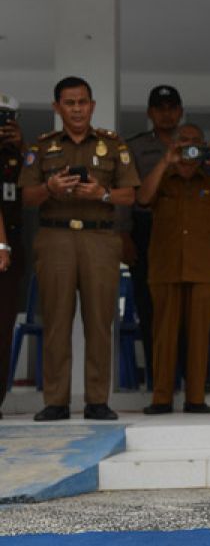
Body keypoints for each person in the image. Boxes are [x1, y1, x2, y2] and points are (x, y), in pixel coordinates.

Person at [18, 76, 139, 421]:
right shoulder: (40, 148)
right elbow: (27, 198)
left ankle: (97, 400)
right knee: (56, 319)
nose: (77, 109)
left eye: (82, 102)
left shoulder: (113, 145)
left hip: (100, 238)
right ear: (57, 108)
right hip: (55, 237)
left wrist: (100, 194)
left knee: (100, 319)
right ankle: (56, 401)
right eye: (69, 103)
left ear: (92, 105)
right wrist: (50, 188)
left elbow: (130, 195)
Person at [138, 124, 210, 413]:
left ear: (203, 148)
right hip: (165, 267)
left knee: (199, 335)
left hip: (202, 269)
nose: (188, 148)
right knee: (163, 334)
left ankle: (195, 397)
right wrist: (166, 160)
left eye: (194, 143)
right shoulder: (163, 177)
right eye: (183, 142)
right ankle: (161, 398)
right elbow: (142, 197)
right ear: (174, 144)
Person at [121, 84, 186, 386]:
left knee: (189, 306)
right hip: (147, 229)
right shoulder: (135, 148)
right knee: (151, 307)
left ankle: (191, 376)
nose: (166, 114)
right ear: (150, 113)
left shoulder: (192, 144)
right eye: (160, 108)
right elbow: (125, 192)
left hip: (186, 231)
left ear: (180, 112)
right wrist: (124, 235)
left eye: (172, 108)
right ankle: (160, 379)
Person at [0, 94, 24, 419]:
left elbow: (30, 191)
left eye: (7, 118)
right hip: (1, 249)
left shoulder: (17, 155)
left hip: (12, 254)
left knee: (4, 328)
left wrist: (21, 148)